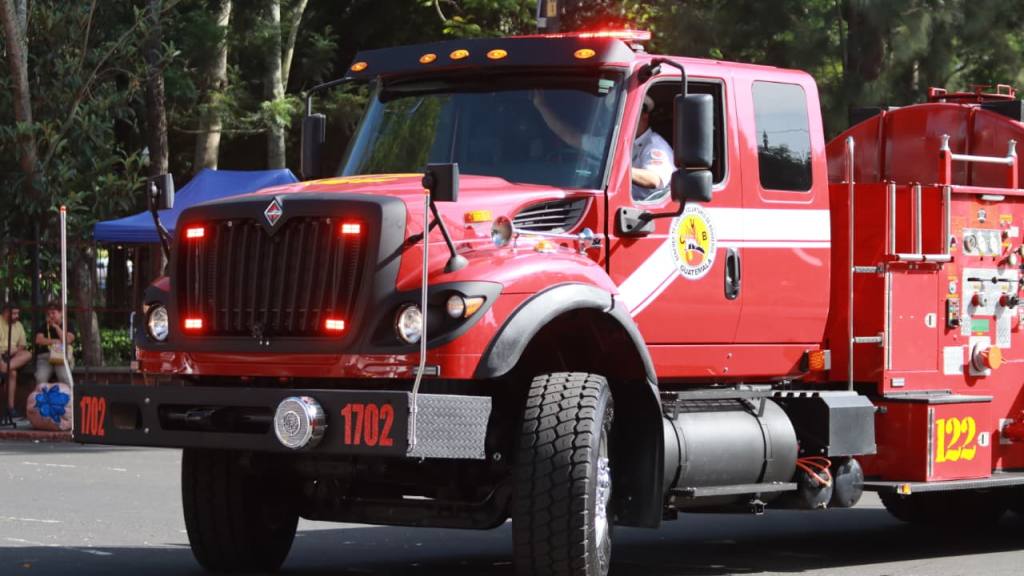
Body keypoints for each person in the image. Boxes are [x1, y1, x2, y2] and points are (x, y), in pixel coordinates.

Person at [631, 95, 675, 202]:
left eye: (631, 115)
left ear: (644, 116)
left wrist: (619, 171)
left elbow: (654, 179)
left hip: (647, 208)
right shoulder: (627, 141)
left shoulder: (655, 144)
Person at [0, 302, 32, 419]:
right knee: (12, 373)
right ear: (6, 313)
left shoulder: (18, 325)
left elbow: (22, 345)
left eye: (17, 313)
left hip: (11, 357)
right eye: (14, 313)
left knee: (28, 354)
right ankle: (11, 408)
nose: (16, 316)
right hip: (0, 353)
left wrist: (14, 350)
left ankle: (5, 367)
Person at [34, 302, 76, 385]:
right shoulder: (44, 325)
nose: (51, 316)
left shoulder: (68, 324)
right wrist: (55, 341)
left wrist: (56, 327)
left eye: (53, 313)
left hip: (61, 357)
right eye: (49, 314)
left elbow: (67, 340)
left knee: (65, 378)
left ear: (61, 313)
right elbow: (39, 340)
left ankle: (68, 396)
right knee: (40, 378)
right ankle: (42, 397)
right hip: (45, 357)